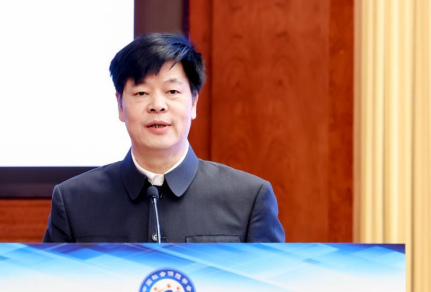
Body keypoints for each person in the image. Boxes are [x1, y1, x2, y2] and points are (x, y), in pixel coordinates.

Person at [43, 33, 285, 243]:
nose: (157, 105)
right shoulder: (74, 200)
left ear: (194, 102)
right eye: (141, 92)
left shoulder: (249, 198)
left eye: (172, 91)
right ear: (120, 105)